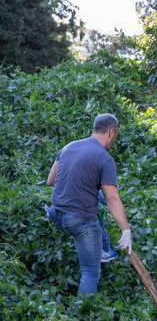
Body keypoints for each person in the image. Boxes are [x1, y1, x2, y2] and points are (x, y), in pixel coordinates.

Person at [45, 113, 132, 295]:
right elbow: (112, 199)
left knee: (98, 197)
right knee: (90, 273)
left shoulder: (69, 147)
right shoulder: (104, 158)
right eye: (115, 136)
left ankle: (102, 246)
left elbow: (51, 181)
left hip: (56, 213)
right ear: (111, 131)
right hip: (79, 221)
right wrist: (126, 231)